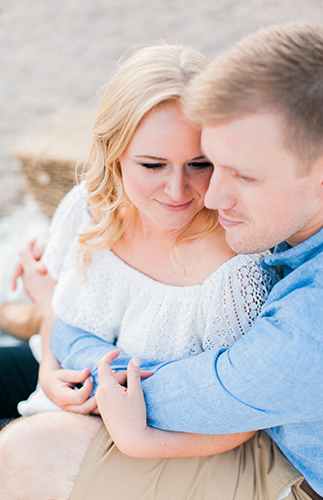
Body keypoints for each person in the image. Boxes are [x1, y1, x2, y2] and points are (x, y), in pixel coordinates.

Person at [0, 20, 322, 500]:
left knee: (20, 450)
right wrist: (50, 339)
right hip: (95, 373)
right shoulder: (100, 206)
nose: (207, 195)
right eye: (217, 163)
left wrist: (53, 324)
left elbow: (193, 402)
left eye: (240, 175)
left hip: (276, 464)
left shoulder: (287, 314)